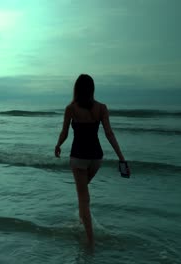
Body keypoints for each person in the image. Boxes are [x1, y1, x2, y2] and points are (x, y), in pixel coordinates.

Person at [54, 74, 129, 245]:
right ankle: (81, 222)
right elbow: (109, 133)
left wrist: (58, 145)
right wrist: (121, 158)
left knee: (83, 198)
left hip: (79, 157)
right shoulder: (101, 108)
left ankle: (90, 242)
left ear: (77, 89)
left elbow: (65, 132)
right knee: (83, 195)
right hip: (96, 158)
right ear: (92, 89)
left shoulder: (71, 108)